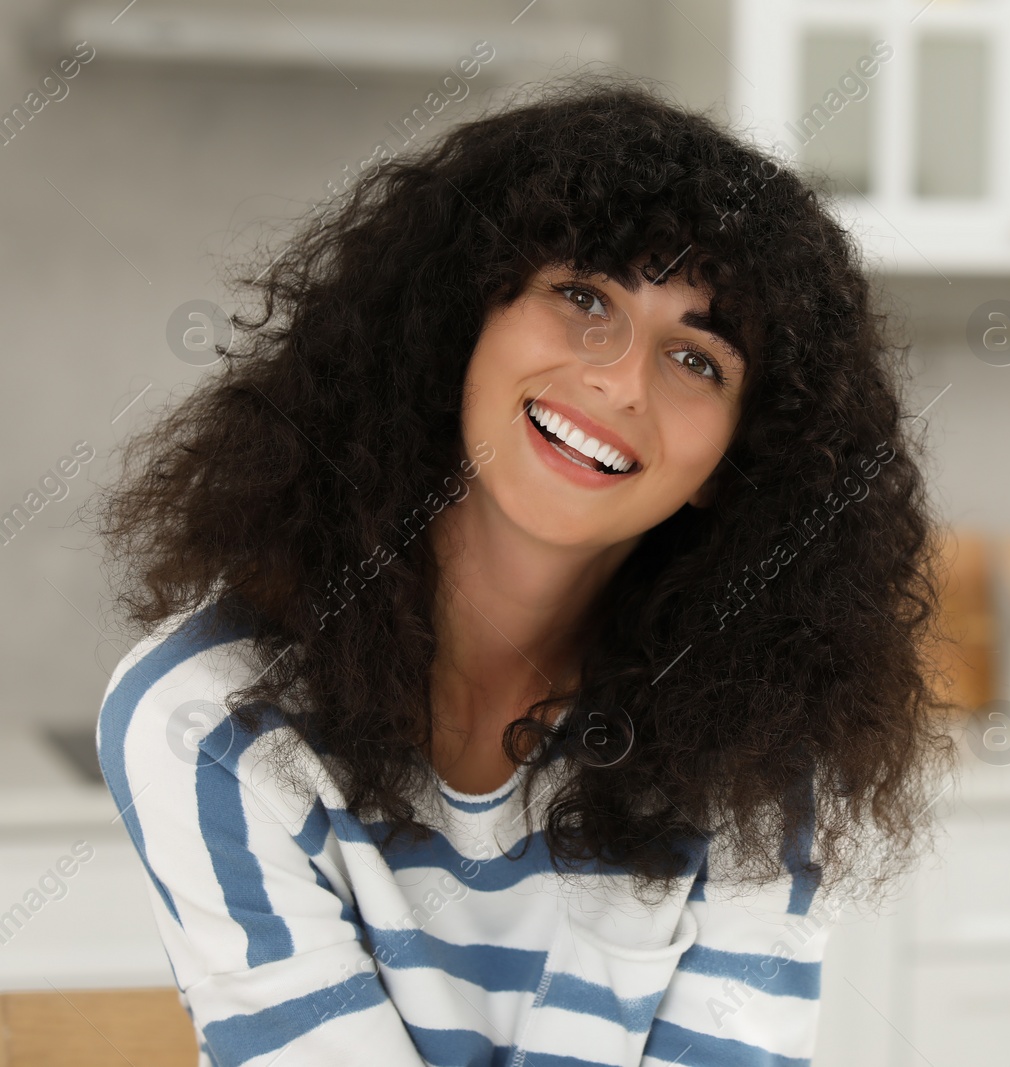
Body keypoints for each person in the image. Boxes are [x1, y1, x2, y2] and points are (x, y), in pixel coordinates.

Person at [92, 77, 954, 1066]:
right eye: (584, 297)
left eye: (697, 360)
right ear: (466, 320)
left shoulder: (765, 754)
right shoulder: (208, 720)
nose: (618, 379)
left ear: (740, 462)